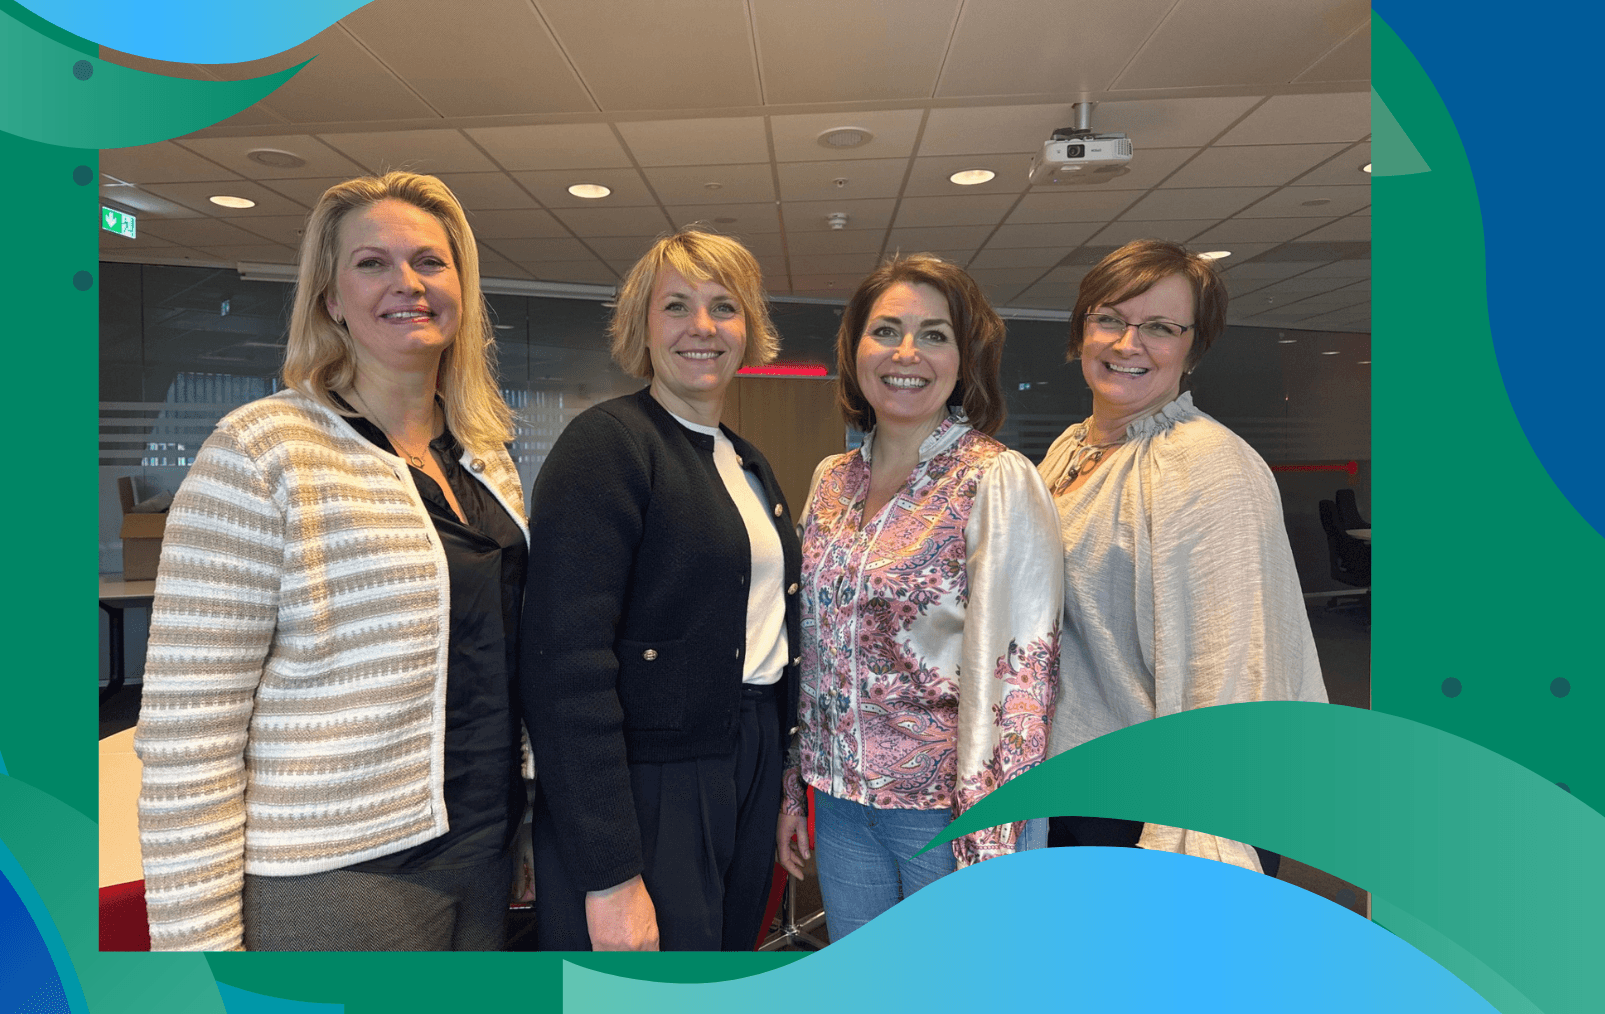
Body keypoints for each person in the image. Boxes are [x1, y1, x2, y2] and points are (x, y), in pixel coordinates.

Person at [134, 172, 529, 951]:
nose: (407, 283)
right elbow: (189, 734)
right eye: (372, 263)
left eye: (429, 262)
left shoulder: (487, 461)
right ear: (330, 299)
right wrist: (195, 956)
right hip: (338, 879)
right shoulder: (261, 451)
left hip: (481, 852)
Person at [519, 230, 800, 952]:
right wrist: (610, 870)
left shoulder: (747, 461)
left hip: (747, 749)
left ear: (749, 329)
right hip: (650, 776)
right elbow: (563, 668)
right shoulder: (607, 444)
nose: (702, 328)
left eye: (723, 307)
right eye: (676, 306)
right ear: (643, 325)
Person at [777, 255, 1063, 941]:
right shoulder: (831, 481)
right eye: (886, 331)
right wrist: (794, 786)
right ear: (855, 352)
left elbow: (1022, 678)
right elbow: (811, 647)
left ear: (965, 359)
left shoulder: (995, 479)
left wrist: (990, 841)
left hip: (948, 816)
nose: (907, 354)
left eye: (935, 334)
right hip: (842, 807)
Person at [1037, 238, 1329, 873]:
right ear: (1081, 328)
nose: (1127, 343)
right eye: (1110, 318)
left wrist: (1198, 841)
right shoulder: (1071, 449)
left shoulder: (1209, 467)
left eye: (1160, 327)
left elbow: (1235, 667)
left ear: (1194, 347)